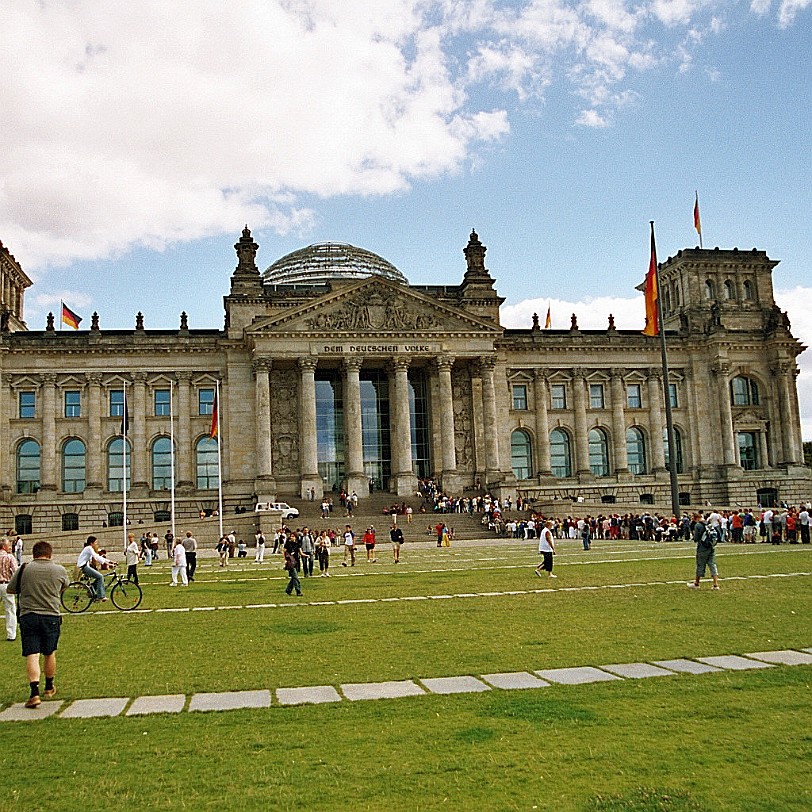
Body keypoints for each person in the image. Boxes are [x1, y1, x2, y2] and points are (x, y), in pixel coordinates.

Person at [7, 540, 70, 708]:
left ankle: (34, 692)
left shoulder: (24, 569)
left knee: (32, 654)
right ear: (50, 554)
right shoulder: (59, 569)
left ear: (34, 553)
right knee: (50, 652)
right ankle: (49, 687)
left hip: (29, 616)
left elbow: (11, 589)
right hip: (51, 616)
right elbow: (64, 586)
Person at [688, 512, 720, 590]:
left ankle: (697, 583)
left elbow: (696, 538)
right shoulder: (708, 523)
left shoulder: (698, 525)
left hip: (702, 547)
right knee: (712, 564)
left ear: (695, 518)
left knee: (700, 564)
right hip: (711, 546)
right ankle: (716, 584)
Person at [77, 536, 115, 602]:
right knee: (100, 577)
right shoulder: (89, 548)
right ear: (91, 543)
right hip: (84, 567)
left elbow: (98, 556)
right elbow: (96, 557)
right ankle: (101, 596)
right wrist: (108, 564)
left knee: (99, 577)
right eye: (95, 543)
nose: (96, 544)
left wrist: (109, 561)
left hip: (86, 566)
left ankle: (91, 591)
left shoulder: (89, 549)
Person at [1, 537, 19, 640]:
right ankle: (11, 634)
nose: (10, 547)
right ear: (4, 546)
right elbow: (16, 571)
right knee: (10, 610)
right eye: (8, 545)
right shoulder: (9, 557)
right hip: (6, 584)